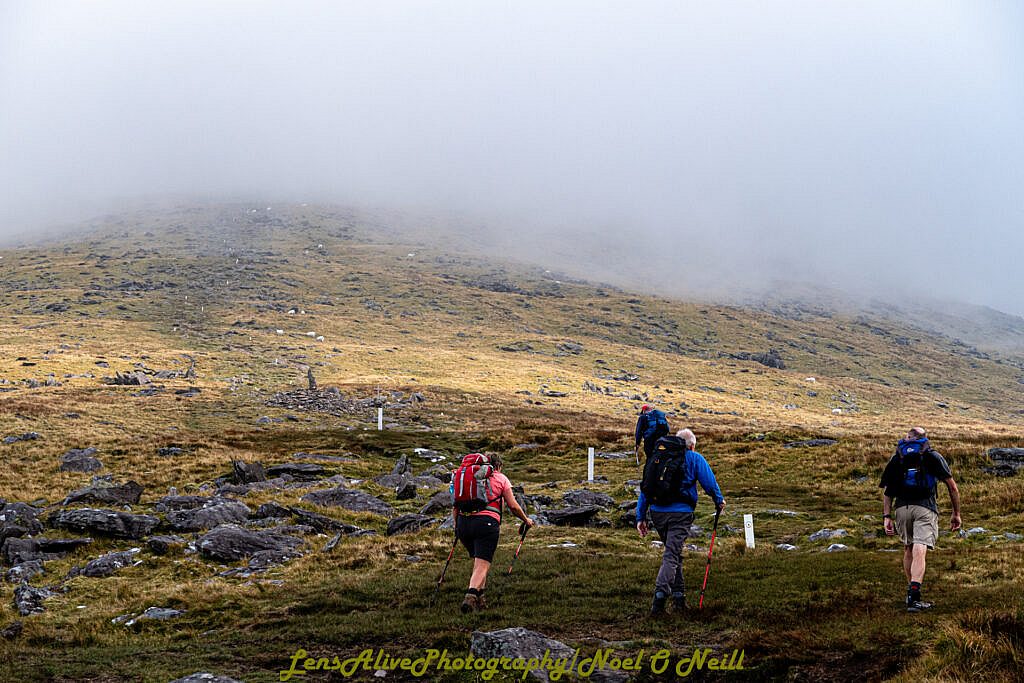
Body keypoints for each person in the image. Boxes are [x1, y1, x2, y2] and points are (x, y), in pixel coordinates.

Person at [636, 429, 725, 615]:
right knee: (671, 555)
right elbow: (709, 482)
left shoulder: (657, 457)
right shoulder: (694, 458)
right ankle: (659, 600)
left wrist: (640, 516)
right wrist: (718, 500)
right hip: (681, 514)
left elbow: (646, 486)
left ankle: (679, 599)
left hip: (657, 513)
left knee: (673, 553)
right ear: (691, 445)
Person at [879, 427, 962, 613]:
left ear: (908, 438)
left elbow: (887, 491)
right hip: (925, 507)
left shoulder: (897, 457)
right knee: (920, 547)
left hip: (901, 508)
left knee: (908, 547)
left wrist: (886, 516)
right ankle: (915, 597)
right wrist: (956, 513)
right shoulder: (932, 456)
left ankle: (911, 593)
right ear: (924, 438)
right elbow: (952, 487)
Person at [451, 452, 535, 613]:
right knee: (482, 565)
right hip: (486, 524)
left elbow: (455, 505)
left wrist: (457, 526)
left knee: (478, 562)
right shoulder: (500, 478)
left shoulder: (468, 476)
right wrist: (526, 520)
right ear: (498, 466)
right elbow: (513, 506)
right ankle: (470, 597)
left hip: (463, 523)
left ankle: (481, 600)